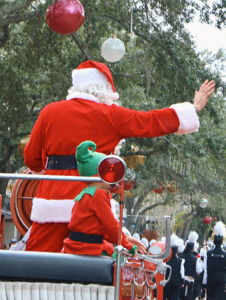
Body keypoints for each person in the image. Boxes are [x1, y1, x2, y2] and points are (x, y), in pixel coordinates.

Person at [21, 60, 215, 252]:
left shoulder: (49, 112)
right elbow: (151, 121)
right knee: (93, 265)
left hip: (51, 201)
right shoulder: (111, 115)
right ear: (104, 89)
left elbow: (31, 160)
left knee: (37, 266)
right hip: (93, 203)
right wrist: (193, 108)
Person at [59, 141, 142, 256]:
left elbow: (101, 229)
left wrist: (124, 240)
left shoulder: (85, 193)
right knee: (121, 260)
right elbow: (111, 225)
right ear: (101, 174)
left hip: (77, 245)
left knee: (113, 250)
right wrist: (129, 246)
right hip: (87, 248)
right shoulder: (98, 194)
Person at [164, 235, 185, 300]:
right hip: (177, 283)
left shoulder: (166, 261)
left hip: (168, 282)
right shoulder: (181, 261)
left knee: (168, 297)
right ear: (177, 252)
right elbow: (182, 273)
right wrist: (183, 282)